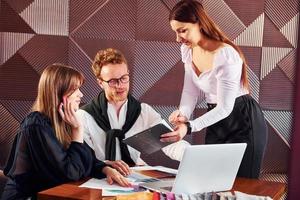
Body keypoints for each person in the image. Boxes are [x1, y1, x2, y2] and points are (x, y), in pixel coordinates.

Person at [160, 0, 268, 178]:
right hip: (216, 121)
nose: (178, 38)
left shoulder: (226, 55)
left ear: (200, 23)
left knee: (242, 187)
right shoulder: (188, 50)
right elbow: (190, 91)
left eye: (182, 30)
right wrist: (183, 115)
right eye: (176, 32)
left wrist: (188, 126)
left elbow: (225, 107)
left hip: (243, 120)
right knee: (213, 183)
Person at [1, 64, 130, 200]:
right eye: (75, 89)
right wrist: (78, 130)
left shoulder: (64, 121)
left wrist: (105, 168)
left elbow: (86, 159)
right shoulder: (36, 125)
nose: (81, 94)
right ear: (59, 93)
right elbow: (70, 172)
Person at [77, 48, 189, 176]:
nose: (120, 85)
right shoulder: (84, 116)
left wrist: (193, 154)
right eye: (113, 81)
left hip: (133, 177)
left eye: (124, 78)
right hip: (98, 178)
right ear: (100, 82)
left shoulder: (143, 112)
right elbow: (83, 159)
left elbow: (169, 142)